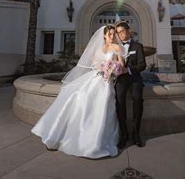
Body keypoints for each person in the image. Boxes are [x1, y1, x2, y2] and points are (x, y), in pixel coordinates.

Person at [31, 25, 125, 159]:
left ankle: (95, 142)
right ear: (103, 35)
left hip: (107, 81)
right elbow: (94, 64)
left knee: (100, 100)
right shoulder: (100, 48)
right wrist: (102, 68)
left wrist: (114, 70)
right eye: (109, 34)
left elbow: (122, 65)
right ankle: (62, 135)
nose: (112, 37)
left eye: (113, 34)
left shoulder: (117, 47)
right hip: (96, 76)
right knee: (77, 95)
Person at [115, 21, 147, 148]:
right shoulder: (116, 46)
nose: (121, 34)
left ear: (128, 31)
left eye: (122, 31)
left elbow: (143, 65)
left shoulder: (138, 46)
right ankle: (124, 134)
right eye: (118, 32)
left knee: (138, 100)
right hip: (121, 79)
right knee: (119, 101)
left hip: (134, 78)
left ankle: (136, 134)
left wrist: (128, 69)